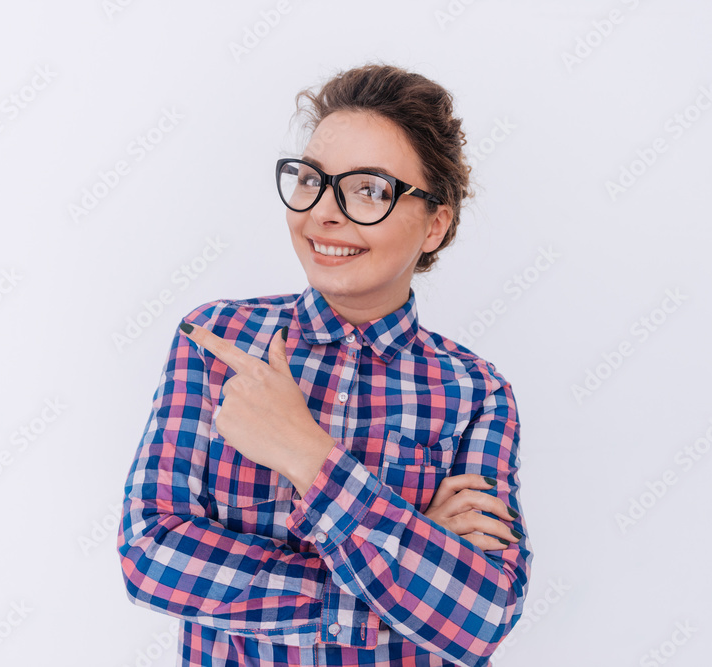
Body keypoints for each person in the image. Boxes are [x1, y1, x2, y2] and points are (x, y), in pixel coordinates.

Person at [117, 62, 532, 667]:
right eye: (311, 179)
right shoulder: (219, 341)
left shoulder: (476, 392)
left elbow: (480, 618)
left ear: (435, 225)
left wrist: (304, 452)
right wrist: (412, 554)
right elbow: (151, 555)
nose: (323, 214)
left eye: (369, 189)